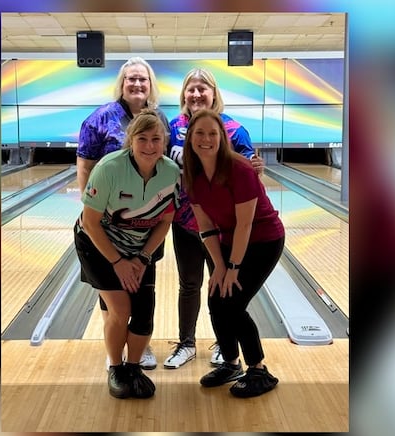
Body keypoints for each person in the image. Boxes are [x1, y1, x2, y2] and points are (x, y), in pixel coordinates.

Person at [73, 110, 179, 399]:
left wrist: (143, 257)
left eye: (156, 139)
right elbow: (91, 223)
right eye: (142, 138)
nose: (149, 146)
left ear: (165, 141)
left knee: (144, 314)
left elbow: (165, 221)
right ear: (130, 140)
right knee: (120, 310)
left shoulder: (171, 172)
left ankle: (133, 368)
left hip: (141, 247)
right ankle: (116, 368)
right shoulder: (109, 168)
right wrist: (118, 262)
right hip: (97, 245)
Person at [163, 68, 264, 369]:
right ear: (184, 94)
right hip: (184, 220)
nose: (196, 94)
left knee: (221, 285)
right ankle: (186, 343)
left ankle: (224, 344)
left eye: (202, 88)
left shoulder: (234, 130)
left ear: (213, 93)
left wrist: (257, 169)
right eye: (191, 89)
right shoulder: (171, 128)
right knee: (189, 284)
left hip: (221, 227)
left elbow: (250, 176)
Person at [181, 109, 284, 398]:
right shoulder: (192, 176)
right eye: (199, 133)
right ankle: (231, 363)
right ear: (190, 138)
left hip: (263, 240)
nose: (206, 139)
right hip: (229, 239)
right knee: (216, 299)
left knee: (234, 303)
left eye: (212, 133)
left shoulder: (239, 169)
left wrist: (234, 268)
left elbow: (245, 224)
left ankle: (259, 370)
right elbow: (205, 227)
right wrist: (218, 266)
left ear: (222, 138)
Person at [76, 57, 169, 370]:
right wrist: (91, 208)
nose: (137, 84)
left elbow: (164, 166)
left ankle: (139, 345)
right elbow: (85, 166)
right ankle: (114, 346)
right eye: (131, 78)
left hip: (145, 221)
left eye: (143, 79)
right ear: (122, 83)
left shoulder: (159, 118)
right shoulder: (100, 118)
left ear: (150, 84)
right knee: (113, 292)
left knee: (140, 289)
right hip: (108, 220)